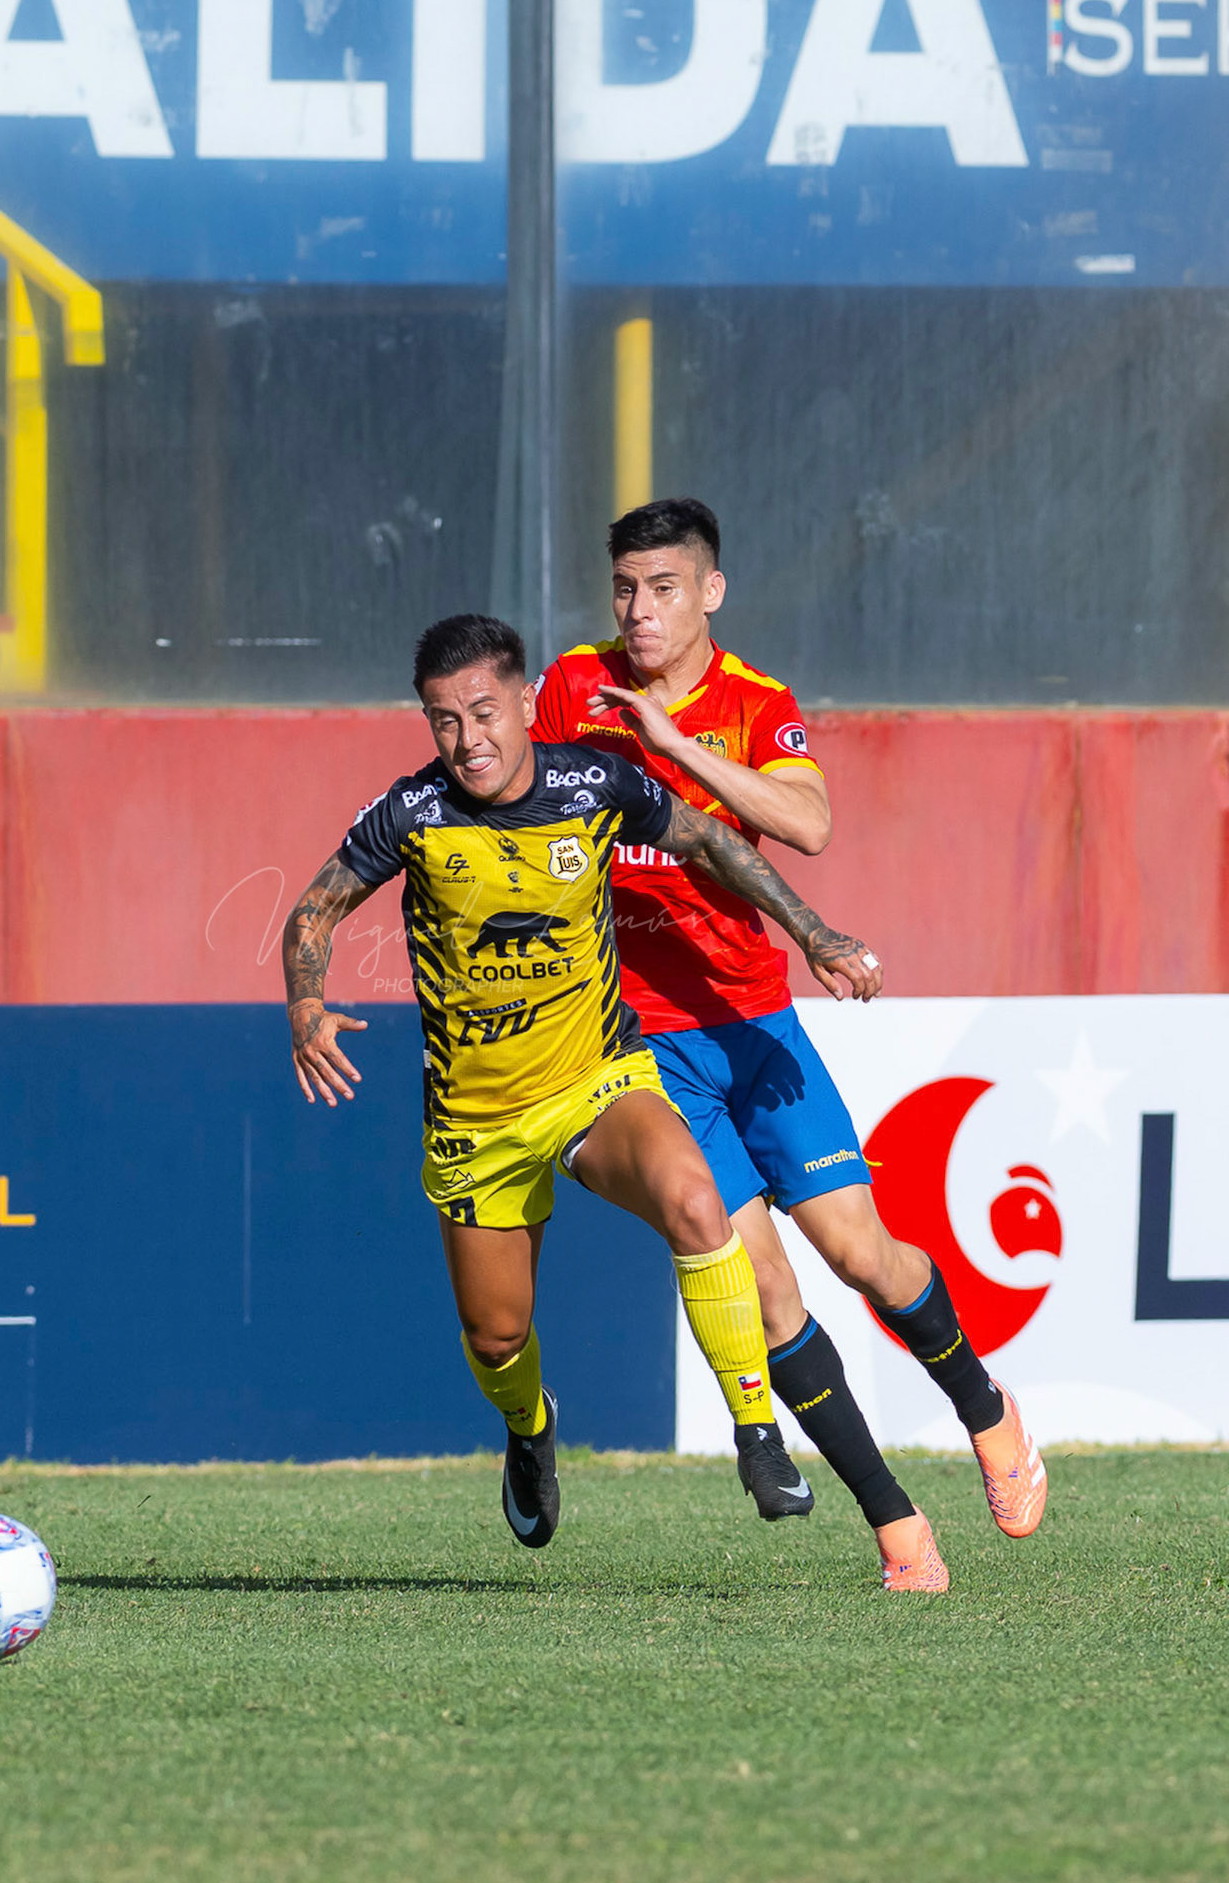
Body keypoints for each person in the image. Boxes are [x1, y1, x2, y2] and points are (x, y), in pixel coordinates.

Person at [283, 612, 884, 1549]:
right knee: (496, 1339)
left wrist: (814, 934)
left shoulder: (592, 783)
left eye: (485, 712)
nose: (468, 739)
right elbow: (314, 910)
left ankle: (758, 1431)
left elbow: (713, 843)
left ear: (526, 703)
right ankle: (530, 1430)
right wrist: (307, 1006)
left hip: (596, 1081)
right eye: (444, 720)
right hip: (476, 1121)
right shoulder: (412, 814)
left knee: (696, 1204)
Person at [533, 498, 1047, 1592]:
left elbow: (808, 824)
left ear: (710, 591)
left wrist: (674, 749)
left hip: (754, 1025)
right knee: (765, 1295)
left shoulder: (757, 703)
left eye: (662, 587)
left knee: (865, 1256)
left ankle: (986, 1409)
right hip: (644, 1047)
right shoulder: (572, 685)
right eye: (625, 587)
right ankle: (897, 1526)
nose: (639, 610)